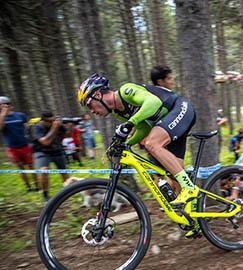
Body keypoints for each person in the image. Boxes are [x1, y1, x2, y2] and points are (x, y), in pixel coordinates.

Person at [77, 73, 197, 213]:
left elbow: (153, 103)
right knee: (174, 171)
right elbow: (144, 127)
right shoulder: (118, 112)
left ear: (97, 95)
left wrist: (130, 123)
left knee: (152, 144)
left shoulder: (125, 92)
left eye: (89, 104)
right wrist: (128, 143)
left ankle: (190, 188)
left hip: (180, 108)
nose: (92, 111)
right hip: (170, 120)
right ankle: (195, 218)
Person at [0, 96, 38, 192]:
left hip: (25, 145)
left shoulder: (20, 115)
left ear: (9, 105)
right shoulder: (1, 118)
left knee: (31, 166)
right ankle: (28, 187)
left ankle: (37, 186)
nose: (4, 106)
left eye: (6, 104)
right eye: (1, 105)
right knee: (20, 168)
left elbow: (27, 127)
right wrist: (3, 115)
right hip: (11, 147)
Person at [32, 112, 69, 202]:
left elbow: (67, 133)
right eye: (50, 121)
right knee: (43, 171)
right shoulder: (37, 127)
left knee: (64, 171)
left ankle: (68, 192)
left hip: (57, 150)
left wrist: (64, 125)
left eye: (53, 120)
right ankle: (45, 195)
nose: (52, 122)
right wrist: (54, 128)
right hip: (42, 151)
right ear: (43, 121)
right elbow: (45, 142)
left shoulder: (57, 124)